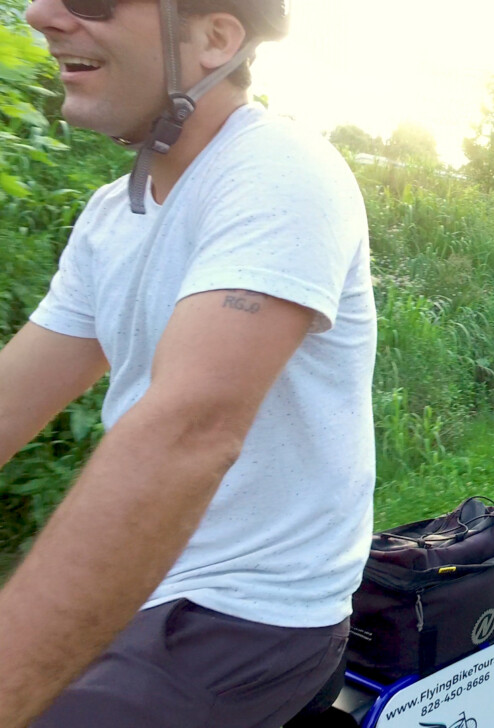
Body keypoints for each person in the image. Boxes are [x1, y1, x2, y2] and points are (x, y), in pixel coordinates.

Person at [0, 2, 376, 726]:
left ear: (213, 39)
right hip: (144, 586)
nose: (43, 14)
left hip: (252, 612)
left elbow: (187, 435)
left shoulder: (279, 172)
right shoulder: (113, 216)